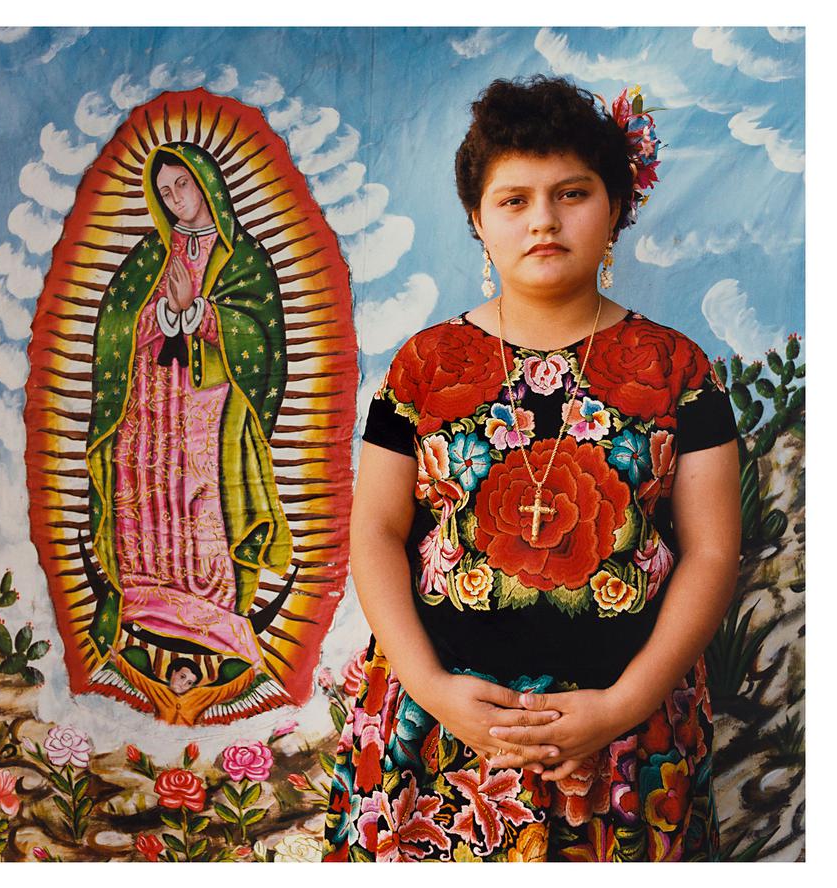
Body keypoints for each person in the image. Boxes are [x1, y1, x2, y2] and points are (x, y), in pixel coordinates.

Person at [322, 76, 740, 862]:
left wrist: (622, 704)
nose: (543, 219)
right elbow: (375, 533)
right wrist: (436, 692)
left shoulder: (679, 370)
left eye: (571, 193)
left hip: (628, 744)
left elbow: (714, 550)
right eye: (513, 200)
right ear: (478, 221)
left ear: (615, 206)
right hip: (439, 737)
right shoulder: (420, 368)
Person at [85, 141, 293, 676]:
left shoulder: (243, 257)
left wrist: (198, 313)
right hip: (150, 401)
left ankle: (208, 605)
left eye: (182, 184)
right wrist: (162, 311)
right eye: (164, 192)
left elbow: (260, 336)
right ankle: (144, 590)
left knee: (200, 497)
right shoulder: (150, 256)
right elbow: (116, 327)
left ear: (207, 183)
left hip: (209, 405)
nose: (176, 199)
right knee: (147, 494)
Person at [107, 645, 255, 726]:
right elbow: (139, 678)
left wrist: (251, 673)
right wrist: (119, 661)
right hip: (159, 737)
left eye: (189, 683)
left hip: (190, 740)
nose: (184, 684)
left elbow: (226, 690)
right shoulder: (159, 690)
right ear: (172, 673)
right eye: (182, 677)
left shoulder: (200, 695)